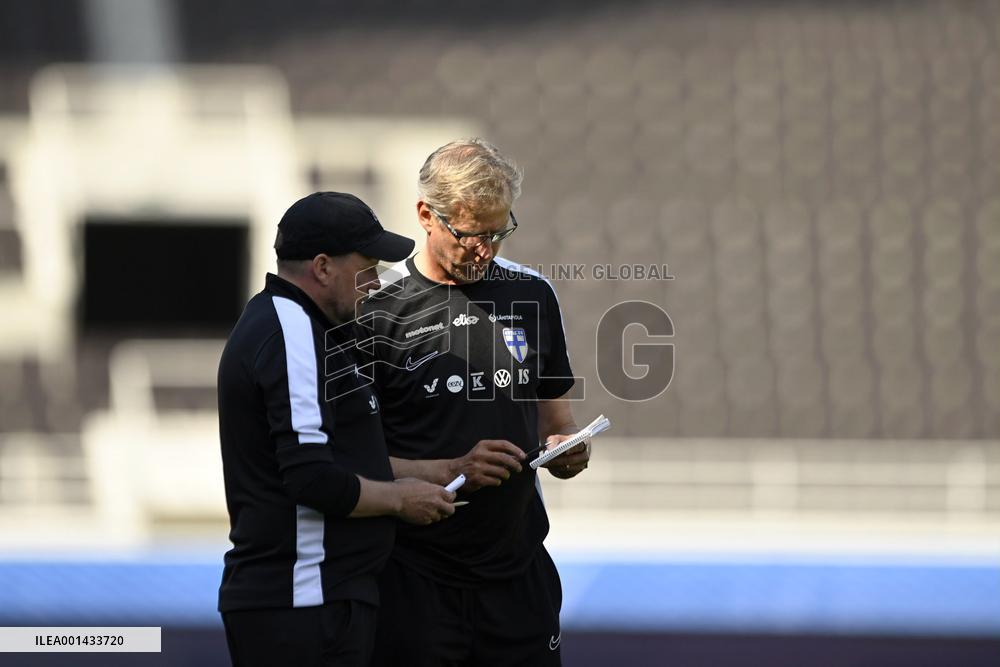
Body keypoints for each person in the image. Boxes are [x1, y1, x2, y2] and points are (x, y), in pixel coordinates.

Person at [358, 139, 591, 666]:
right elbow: (348, 464)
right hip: (413, 577)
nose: (485, 249)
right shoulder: (372, 310)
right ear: (426, 215)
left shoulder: (534, 295)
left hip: (517, 575)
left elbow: (557, 424)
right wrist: (450, 470)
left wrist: (567, 450)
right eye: (471, 234)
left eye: (498, 232)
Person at [217, 192, 457, 667]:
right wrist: (400, 499)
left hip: (315, 601)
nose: (375, 282)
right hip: (302, 605)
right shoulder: (291, 331)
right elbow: (312, 478)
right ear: (323, 267)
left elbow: (345, 461)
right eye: (367, 266)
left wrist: (444, 469)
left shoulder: (310, 328)